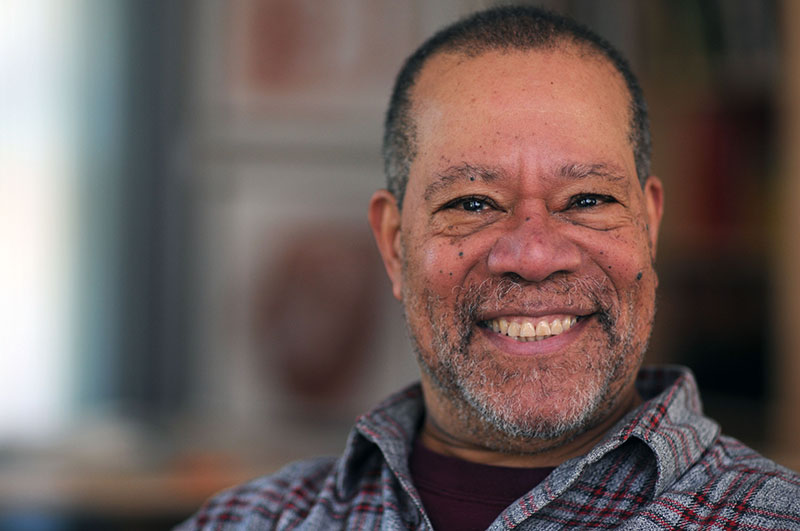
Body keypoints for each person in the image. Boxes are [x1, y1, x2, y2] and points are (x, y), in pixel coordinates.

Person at [179, 6, 800, 530]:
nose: (533, 257)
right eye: (472, 203)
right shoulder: (243, 521)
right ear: (394, 244)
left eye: (588, 200)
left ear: (650, 226)